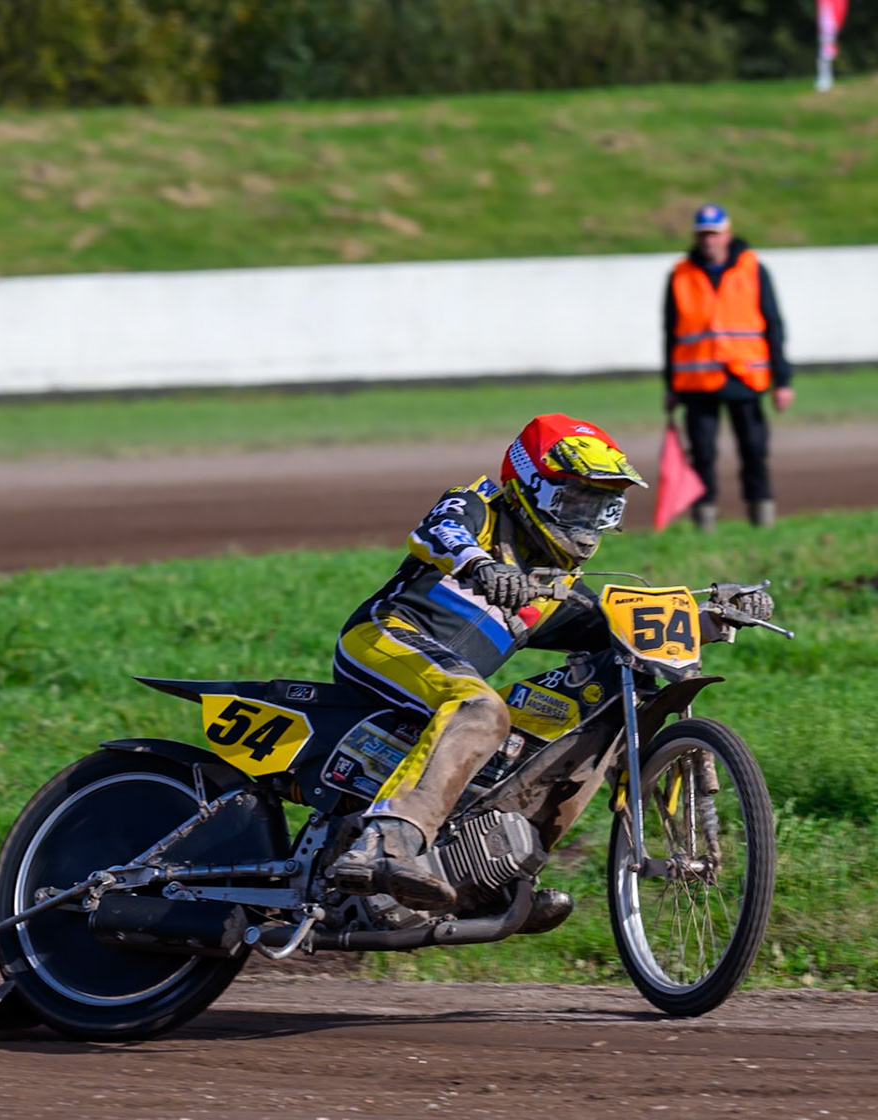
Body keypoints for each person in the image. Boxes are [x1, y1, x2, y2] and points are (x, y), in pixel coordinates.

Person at [326, 415, 650, 920]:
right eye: (575, 504)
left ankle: (496, 877)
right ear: (530, 488)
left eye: (600, 509)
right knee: (481, 709)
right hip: (384, 639)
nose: (586, 524)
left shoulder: (555, 585)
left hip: (446, 681)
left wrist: (711, 615)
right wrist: (482, 566)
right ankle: (388, 839)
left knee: (597, 701)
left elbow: (626, 628)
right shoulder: (480, 506)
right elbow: (438, 531)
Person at [664, 204, 794, 532]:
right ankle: (705, 519)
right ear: (697, 236)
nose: (710, 240)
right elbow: (671, 333)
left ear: (728, 234)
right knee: (703, 454)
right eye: (704, 234)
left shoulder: (752, 269)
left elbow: (773, 325)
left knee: (753, 449)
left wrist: (783, 380)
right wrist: (670, 386)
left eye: (715, 233)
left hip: (745, 376)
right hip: (697, 381)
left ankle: (761, 514)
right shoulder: (680, 275)